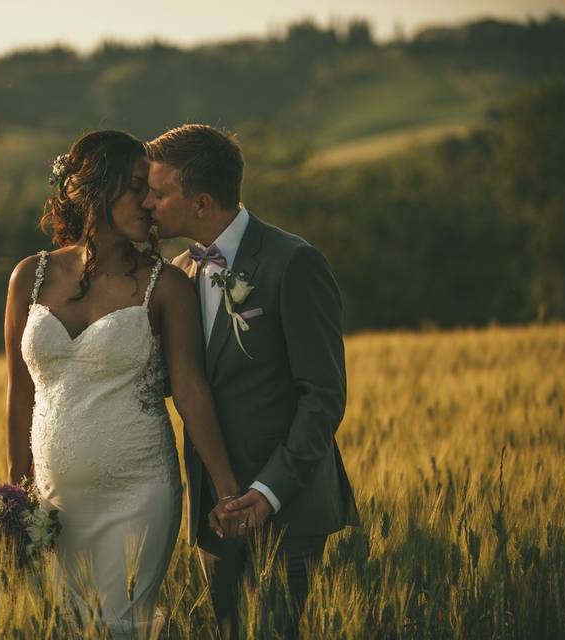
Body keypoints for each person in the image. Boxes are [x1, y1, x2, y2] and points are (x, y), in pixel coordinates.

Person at [3, 130, 242, 636]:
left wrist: (226, 488)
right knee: (63, 627)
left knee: (120, 625)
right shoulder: (29, 276)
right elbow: (20, 392)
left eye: (153, 190)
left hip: (139, 492)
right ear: (96, 189)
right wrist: (14, 495)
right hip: (53, 499)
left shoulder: (166, 284)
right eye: (136, 187)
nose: (149, 202)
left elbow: (192, 391)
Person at [143, 124, 360, 639]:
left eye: (158, 192)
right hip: (214, 515)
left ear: (200, 202)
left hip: (290, 507)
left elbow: (323, 397)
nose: (147, 203)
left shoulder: (294, 262)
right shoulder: (179, 273)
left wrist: (268, 491)